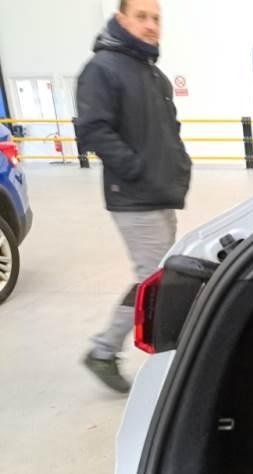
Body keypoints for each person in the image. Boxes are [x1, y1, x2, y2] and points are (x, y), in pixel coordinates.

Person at [76, 0, 191, 393]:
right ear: (121, 19)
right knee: (157, 283)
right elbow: (93, 129)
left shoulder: (154, 75)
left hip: (161, 192)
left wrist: (179, 167)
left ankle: (108, 350)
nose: (150, 25)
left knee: (157, 279)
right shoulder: (102, 69)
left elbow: (169, 131)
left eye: (156, 18)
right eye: (141, 16)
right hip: (134, 196)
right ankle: (110, 351)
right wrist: (135, 168)